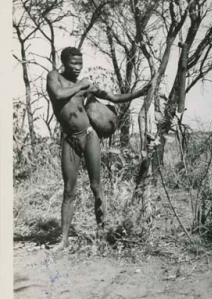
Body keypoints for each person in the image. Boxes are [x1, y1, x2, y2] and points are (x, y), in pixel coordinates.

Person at [46, 47, 148, 248]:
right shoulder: (54, 77)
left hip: (90, 135)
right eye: (73, 63)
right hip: (69, 139)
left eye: (80, 64)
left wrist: (139, 93)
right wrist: (81, 85)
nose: (77, 68)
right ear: (64, 62)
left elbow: (113, 97)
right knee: (69, 190)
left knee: (96, 186)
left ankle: (102, 234)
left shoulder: (83, 86)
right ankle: (64, 239)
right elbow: (57, 95)